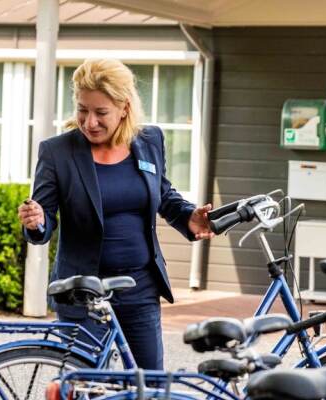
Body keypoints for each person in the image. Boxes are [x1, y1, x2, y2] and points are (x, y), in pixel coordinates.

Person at [18, 58, 213, 370]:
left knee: (148, 385)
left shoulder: (149, 140)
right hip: (83, 293)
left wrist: (189, 217)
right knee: (90, 387)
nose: (89, 121)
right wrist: (37, 222)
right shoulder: (57, 152)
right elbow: (43, 223)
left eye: (101, 112)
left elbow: (161, 192)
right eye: (83, 110)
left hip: (140, 289)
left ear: (124, 108)